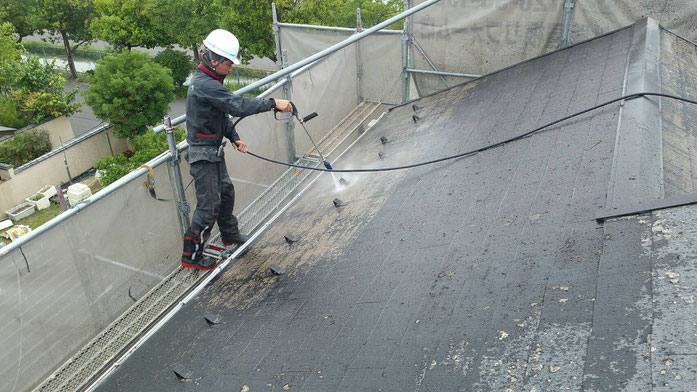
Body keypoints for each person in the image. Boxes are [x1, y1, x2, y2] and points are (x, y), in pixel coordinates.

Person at [181, 29, 293, 270]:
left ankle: (230, 235)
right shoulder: (203, 84)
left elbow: (221, 112)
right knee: (208, 207)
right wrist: (273, 103)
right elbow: (237, 105)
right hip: (203, 155)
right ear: (214, 61)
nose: (231, 69)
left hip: (213, 150)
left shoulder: (211, 81)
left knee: (226, 192)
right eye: (229, 64)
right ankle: (192, 258)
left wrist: (233, 136)